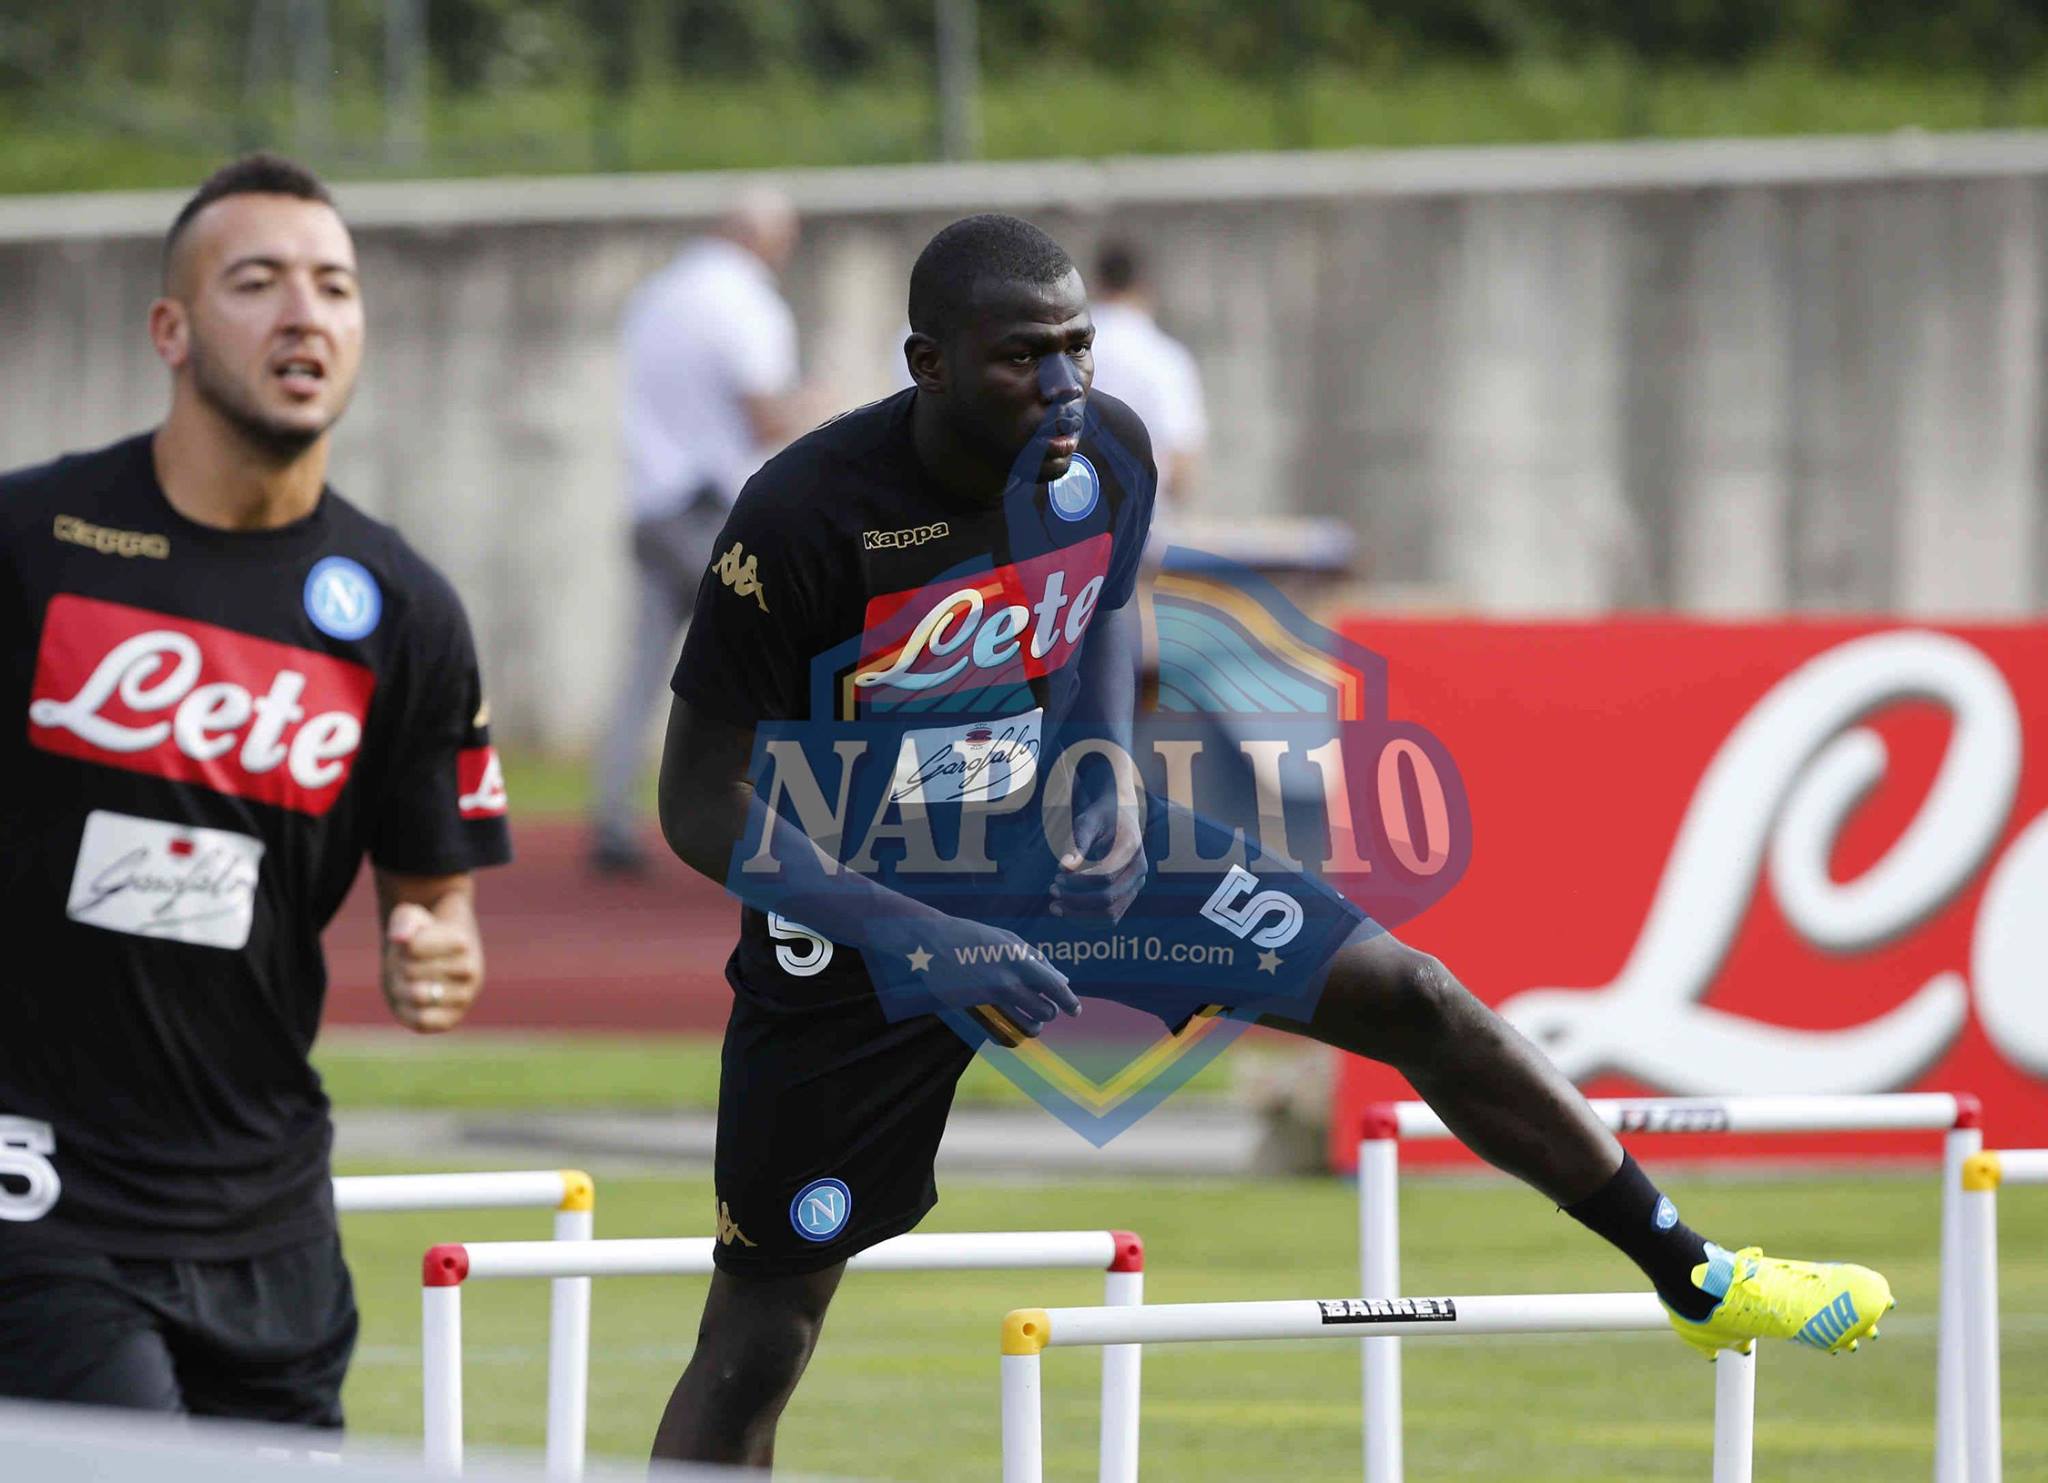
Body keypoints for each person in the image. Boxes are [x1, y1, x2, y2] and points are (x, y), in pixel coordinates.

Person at [651, 214, 1892, 1469]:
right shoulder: (800, 515)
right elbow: (701, 803)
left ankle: (1693, 1274)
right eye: (1023, 355)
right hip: (852, 914)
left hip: (1044, 843)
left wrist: (1103, 775)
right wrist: (922, 936)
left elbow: (1104, 609)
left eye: (1078, 346)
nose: (1064, 383)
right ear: (927, 364)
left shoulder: (1102, 452)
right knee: (762, 1334)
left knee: (1413, 994)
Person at [0, 154, 511, 1430]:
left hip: (265, 1206)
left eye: (334, 286)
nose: (304, 314)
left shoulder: (403, 609)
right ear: (170, 329)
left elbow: (436, 897)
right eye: (257, 282)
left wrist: (439, 952)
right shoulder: (31, 545)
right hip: (40, 1188)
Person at [588, 188, 823, 875]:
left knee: (641, 674)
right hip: (716, 515)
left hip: (654, 503)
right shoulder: (747, 302)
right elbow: (764, 418)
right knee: (790, 655)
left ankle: (611, 816)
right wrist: (821, 404)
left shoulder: (658, 295)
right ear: (766, 238)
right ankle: (797, 820)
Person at [1085, 239, 1207, 523]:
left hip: (1064, 522)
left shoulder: (1067, 350)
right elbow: (1181, 466)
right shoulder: (1165, 359)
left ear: (1096, 284)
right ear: (1144, 287)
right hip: (1140, 525)